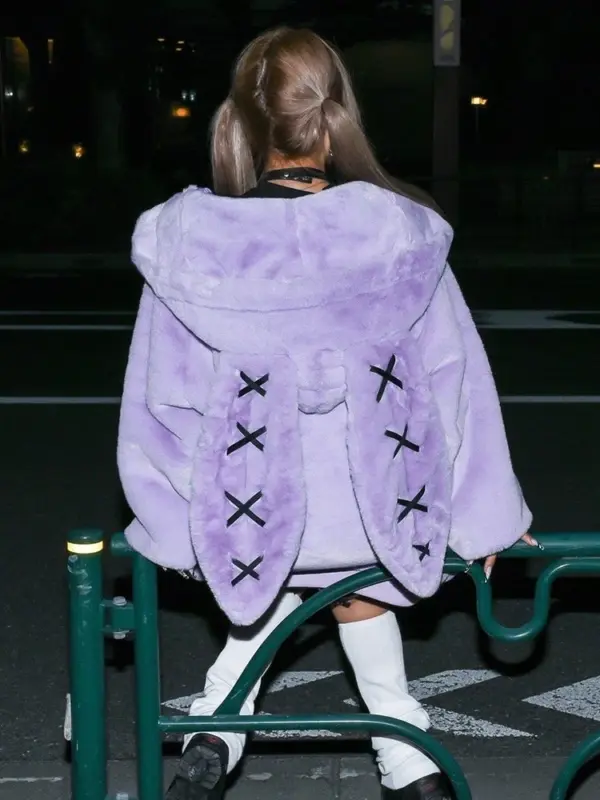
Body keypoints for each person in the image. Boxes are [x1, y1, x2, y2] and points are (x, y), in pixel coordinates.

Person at [117, 27, 535, 800]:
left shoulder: (190, 247)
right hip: (377, 510)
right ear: (336, 120)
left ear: (240, 126)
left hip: (249, 508)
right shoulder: (398, 235)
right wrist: (488, 519)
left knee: (267, 581)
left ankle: (216, 728)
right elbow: (455, 383)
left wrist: (173, 525)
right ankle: (408, 761)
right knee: (355, 586)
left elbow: (162, 400)